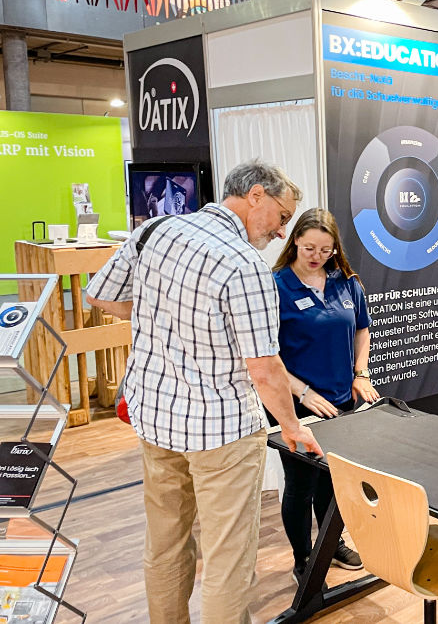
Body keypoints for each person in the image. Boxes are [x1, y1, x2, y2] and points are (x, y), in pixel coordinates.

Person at [86, 161, 322, 624]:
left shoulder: (154, 231)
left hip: (156, 421)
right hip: (223, 433)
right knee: (228, 561)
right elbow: (263, 368)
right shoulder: (244, 265)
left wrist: (162, 313)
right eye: (282, 216)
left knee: (165, 545)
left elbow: (99, 295)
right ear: (256, 195)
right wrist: (292, 427)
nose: (281, 231)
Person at [270, 208, 379, 583]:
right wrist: (302, 392)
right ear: (295, 242)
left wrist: (360, 373)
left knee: (333, 481)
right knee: (301, 486)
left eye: (325, 250)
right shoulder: (276, 286)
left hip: (340, 401)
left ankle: (331, 544)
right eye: (309, 248)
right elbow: (266, 356)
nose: (317, 256)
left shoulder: (346, 282)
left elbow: (362, 329)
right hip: (295, 405)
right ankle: (303, 558)